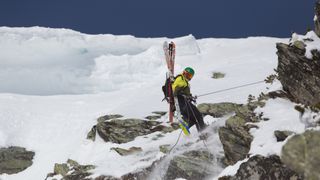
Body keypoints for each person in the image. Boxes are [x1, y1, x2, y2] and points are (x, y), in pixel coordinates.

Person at [172, 67, 206, 132]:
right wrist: (184, 95)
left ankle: (189, 126)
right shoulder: (180, 79)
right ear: (184, 72)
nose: (188, 77)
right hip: (182, 103)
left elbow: (183, 92)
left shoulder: (184, 81)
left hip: (183, 104)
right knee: (198, 116)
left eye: (190, 76)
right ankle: (203, 132)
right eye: (187, 74)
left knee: (194, 119)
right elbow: (176, 91)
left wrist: (190, 97)